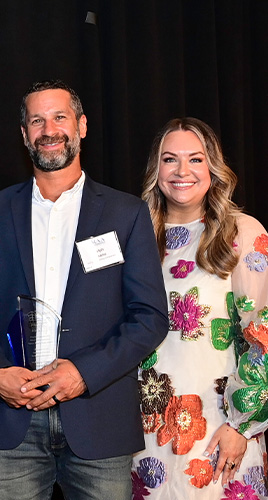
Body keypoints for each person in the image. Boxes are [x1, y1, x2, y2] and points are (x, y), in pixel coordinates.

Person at [0, 79, 169, 500]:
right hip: (8, 423)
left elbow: (149, 317)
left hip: (98, 420)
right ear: (24, 134)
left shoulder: (126, 214)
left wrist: (82, 373)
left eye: (59, 117)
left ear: (82, 126)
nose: (48, 129)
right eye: (37, 120)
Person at [131, 117, 268, 499]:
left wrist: (243, 426)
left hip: (218, 435)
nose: (182, 171)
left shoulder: (241, 234)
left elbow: (264, 334)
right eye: (170, 159)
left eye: (196, 159)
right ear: (155, 170)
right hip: (144, 440)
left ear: (213, 168)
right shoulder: (135, 238)